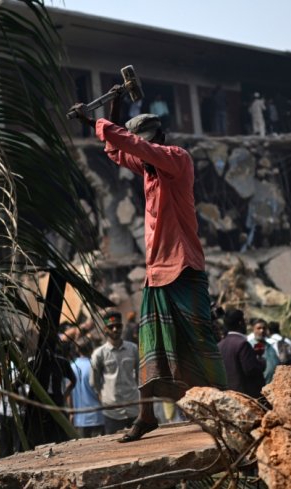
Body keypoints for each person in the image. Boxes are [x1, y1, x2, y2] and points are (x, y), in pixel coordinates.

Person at [71, 88, 228, 443]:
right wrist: (100, 116)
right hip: (157, 270)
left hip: (184, 266)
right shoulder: (148, 169)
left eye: (142, 141)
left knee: (201, 339)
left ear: (156, 137)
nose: (140, 148)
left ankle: (221, 405)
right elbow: (117, 150)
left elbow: (132, 146)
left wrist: (100, 122)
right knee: (150, 346)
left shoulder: (176, 158)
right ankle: (146, 416)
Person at [91, 311, 140, 435]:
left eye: (118, 326)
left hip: (133, 407)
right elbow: (94, 382)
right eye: (111, 327)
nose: (115, 329)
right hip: (112, 412)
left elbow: (140, 376)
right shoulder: (99, 354)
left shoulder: (133, 349)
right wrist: (103, 399)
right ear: (105, 329)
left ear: (122, 327)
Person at [217, 309, 265, 398]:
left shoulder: (219, 345)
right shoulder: (242, 344)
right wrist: (261, 361)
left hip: (225, 396)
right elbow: (251, 370)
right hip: (243, 396)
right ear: (240, 323)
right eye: (244, 321)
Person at [71, 338, 105, 438]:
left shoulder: (72, 367)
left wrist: (71, 413)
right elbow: (101, 391)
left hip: (79, 419)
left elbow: (69, 394)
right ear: (91, 349)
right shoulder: (94, 366)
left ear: (77, 350)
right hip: (97, 417)